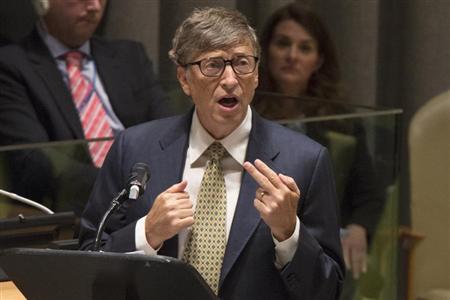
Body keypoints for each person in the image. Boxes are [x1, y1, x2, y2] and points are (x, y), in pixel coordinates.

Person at [79, 7, 344, 299]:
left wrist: (289, 234)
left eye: (242, 63)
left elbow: (328, 290)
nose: (230, 79)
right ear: (184, 79)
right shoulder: (134, 148)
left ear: (256, 76)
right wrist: (146, 233)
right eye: (213, 65)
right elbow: (87, 261)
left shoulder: (306, 161)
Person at [253, 1, 384, 288]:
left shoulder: (341, 122)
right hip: (256, 234)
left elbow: (369, 195)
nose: (291, 55)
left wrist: (359, 228)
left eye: (304, 48)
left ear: (319, 60)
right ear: (264, 52)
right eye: (282, 44)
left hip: (319, 239)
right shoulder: (245, 114)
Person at [0, 0, 171, 215]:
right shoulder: (10, 66)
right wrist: (125, 188)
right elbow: (35, 160)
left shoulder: (130, 56)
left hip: (152, 197)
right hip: (73, 210)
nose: (94, 6)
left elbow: (167, 133)